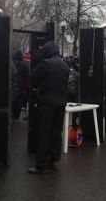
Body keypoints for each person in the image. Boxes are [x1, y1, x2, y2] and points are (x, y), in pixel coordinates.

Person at [28, 41, 70, 174]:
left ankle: (41, 165)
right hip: (61, 103)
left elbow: (33, 78)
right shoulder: (65, 65)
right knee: (56, 133)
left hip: (47, 104)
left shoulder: (46, 64)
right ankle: (53, 161)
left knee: (44, 133)